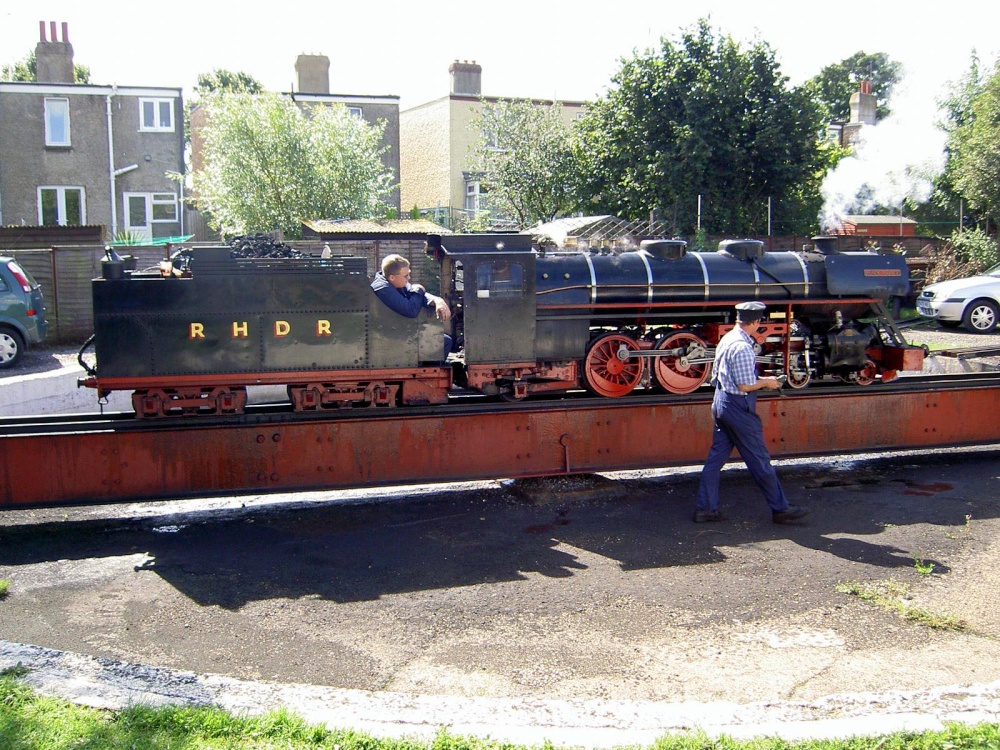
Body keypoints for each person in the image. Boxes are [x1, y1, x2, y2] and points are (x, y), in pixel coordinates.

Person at [693, 301, 808, 524]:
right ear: (755, 322)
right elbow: (746, 385)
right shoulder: (743, 347)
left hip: (721, 402)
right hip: (739, 407)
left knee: (715, 461)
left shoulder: (727, 339)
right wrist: (768, 382)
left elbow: (715, 375)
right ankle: (781, 509)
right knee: (759, 459)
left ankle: (705, 509)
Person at [370, 254, 453, 357]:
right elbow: (410, 310)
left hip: (396, 330)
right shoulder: (383, 289)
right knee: (444, 342)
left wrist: (437, 300)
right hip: (388, 336)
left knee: (444, 339)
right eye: (405, 276)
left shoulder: (392, 280)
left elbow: (414, 293)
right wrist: (419, 288)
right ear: (392, 277)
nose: (409, 278)